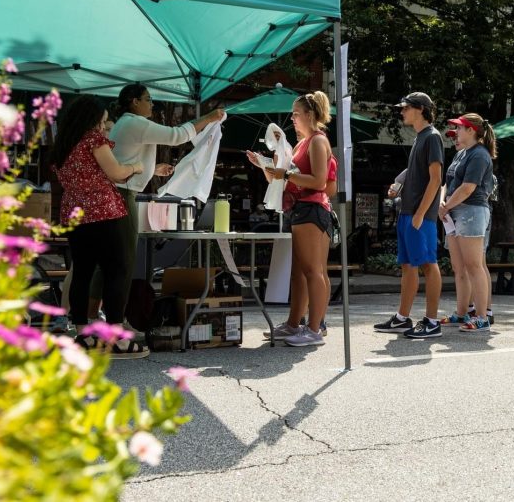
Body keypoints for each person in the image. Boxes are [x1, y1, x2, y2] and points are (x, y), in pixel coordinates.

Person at [91, 84, 223, 324]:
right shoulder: (134, 123)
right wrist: (209, 117)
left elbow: (127, 160)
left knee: (110, 258)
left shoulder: (127, 123)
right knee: (123, 260)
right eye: (148, 99)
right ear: (133, 101)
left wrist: (153, 170)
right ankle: (113, 323)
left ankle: (93, 317)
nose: (151, 104)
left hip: (116, 192)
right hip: (121, 194)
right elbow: (176, 136)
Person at [49, 95, 148, 358]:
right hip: (103, 213)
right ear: (91, 119)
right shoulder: (93, 140)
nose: (104, 127)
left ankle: (82, 334)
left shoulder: (63, 144)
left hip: (75, 214)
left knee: (82, 271)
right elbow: (115, 172)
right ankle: (118, 338)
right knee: (117, 270)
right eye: (102, 121)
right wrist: (136, 166)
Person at [245, 91, 337, 347]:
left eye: (296, 114)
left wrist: (285, 175)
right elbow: (281, 179)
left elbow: (319, 182)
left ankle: (315, 329)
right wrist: (264, 165)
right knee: (298, 273)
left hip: (312, 209)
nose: (292, 118)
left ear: (309, 115)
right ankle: (294, 323)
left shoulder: (318, 141)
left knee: (312, 271)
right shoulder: (301, 144)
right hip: (300, 210)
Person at [373, 93, 445, 339]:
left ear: (420, 109)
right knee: (407, 265)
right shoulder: (421, 138)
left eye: (405, 108)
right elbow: (418, 171)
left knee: (427, 264)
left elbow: (436, 179)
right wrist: (399, 183)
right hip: (408, 211)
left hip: (419, 215)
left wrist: (421, 213)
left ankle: (432, 321)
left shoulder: (432, 137)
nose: (401, 112)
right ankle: (403, 319)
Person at [438, 113, 497, 332]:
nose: (455, 133)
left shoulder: (480, 155)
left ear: (471, 130)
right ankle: (461, 313)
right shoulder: (461, 154)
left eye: (459, 129)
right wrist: (443, 201)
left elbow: (468, 187)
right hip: (454, 211)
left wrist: (446, 206)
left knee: (474, 265)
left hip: (471, 210)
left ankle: (482, 316)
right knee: (459, 267)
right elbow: (447, 182)